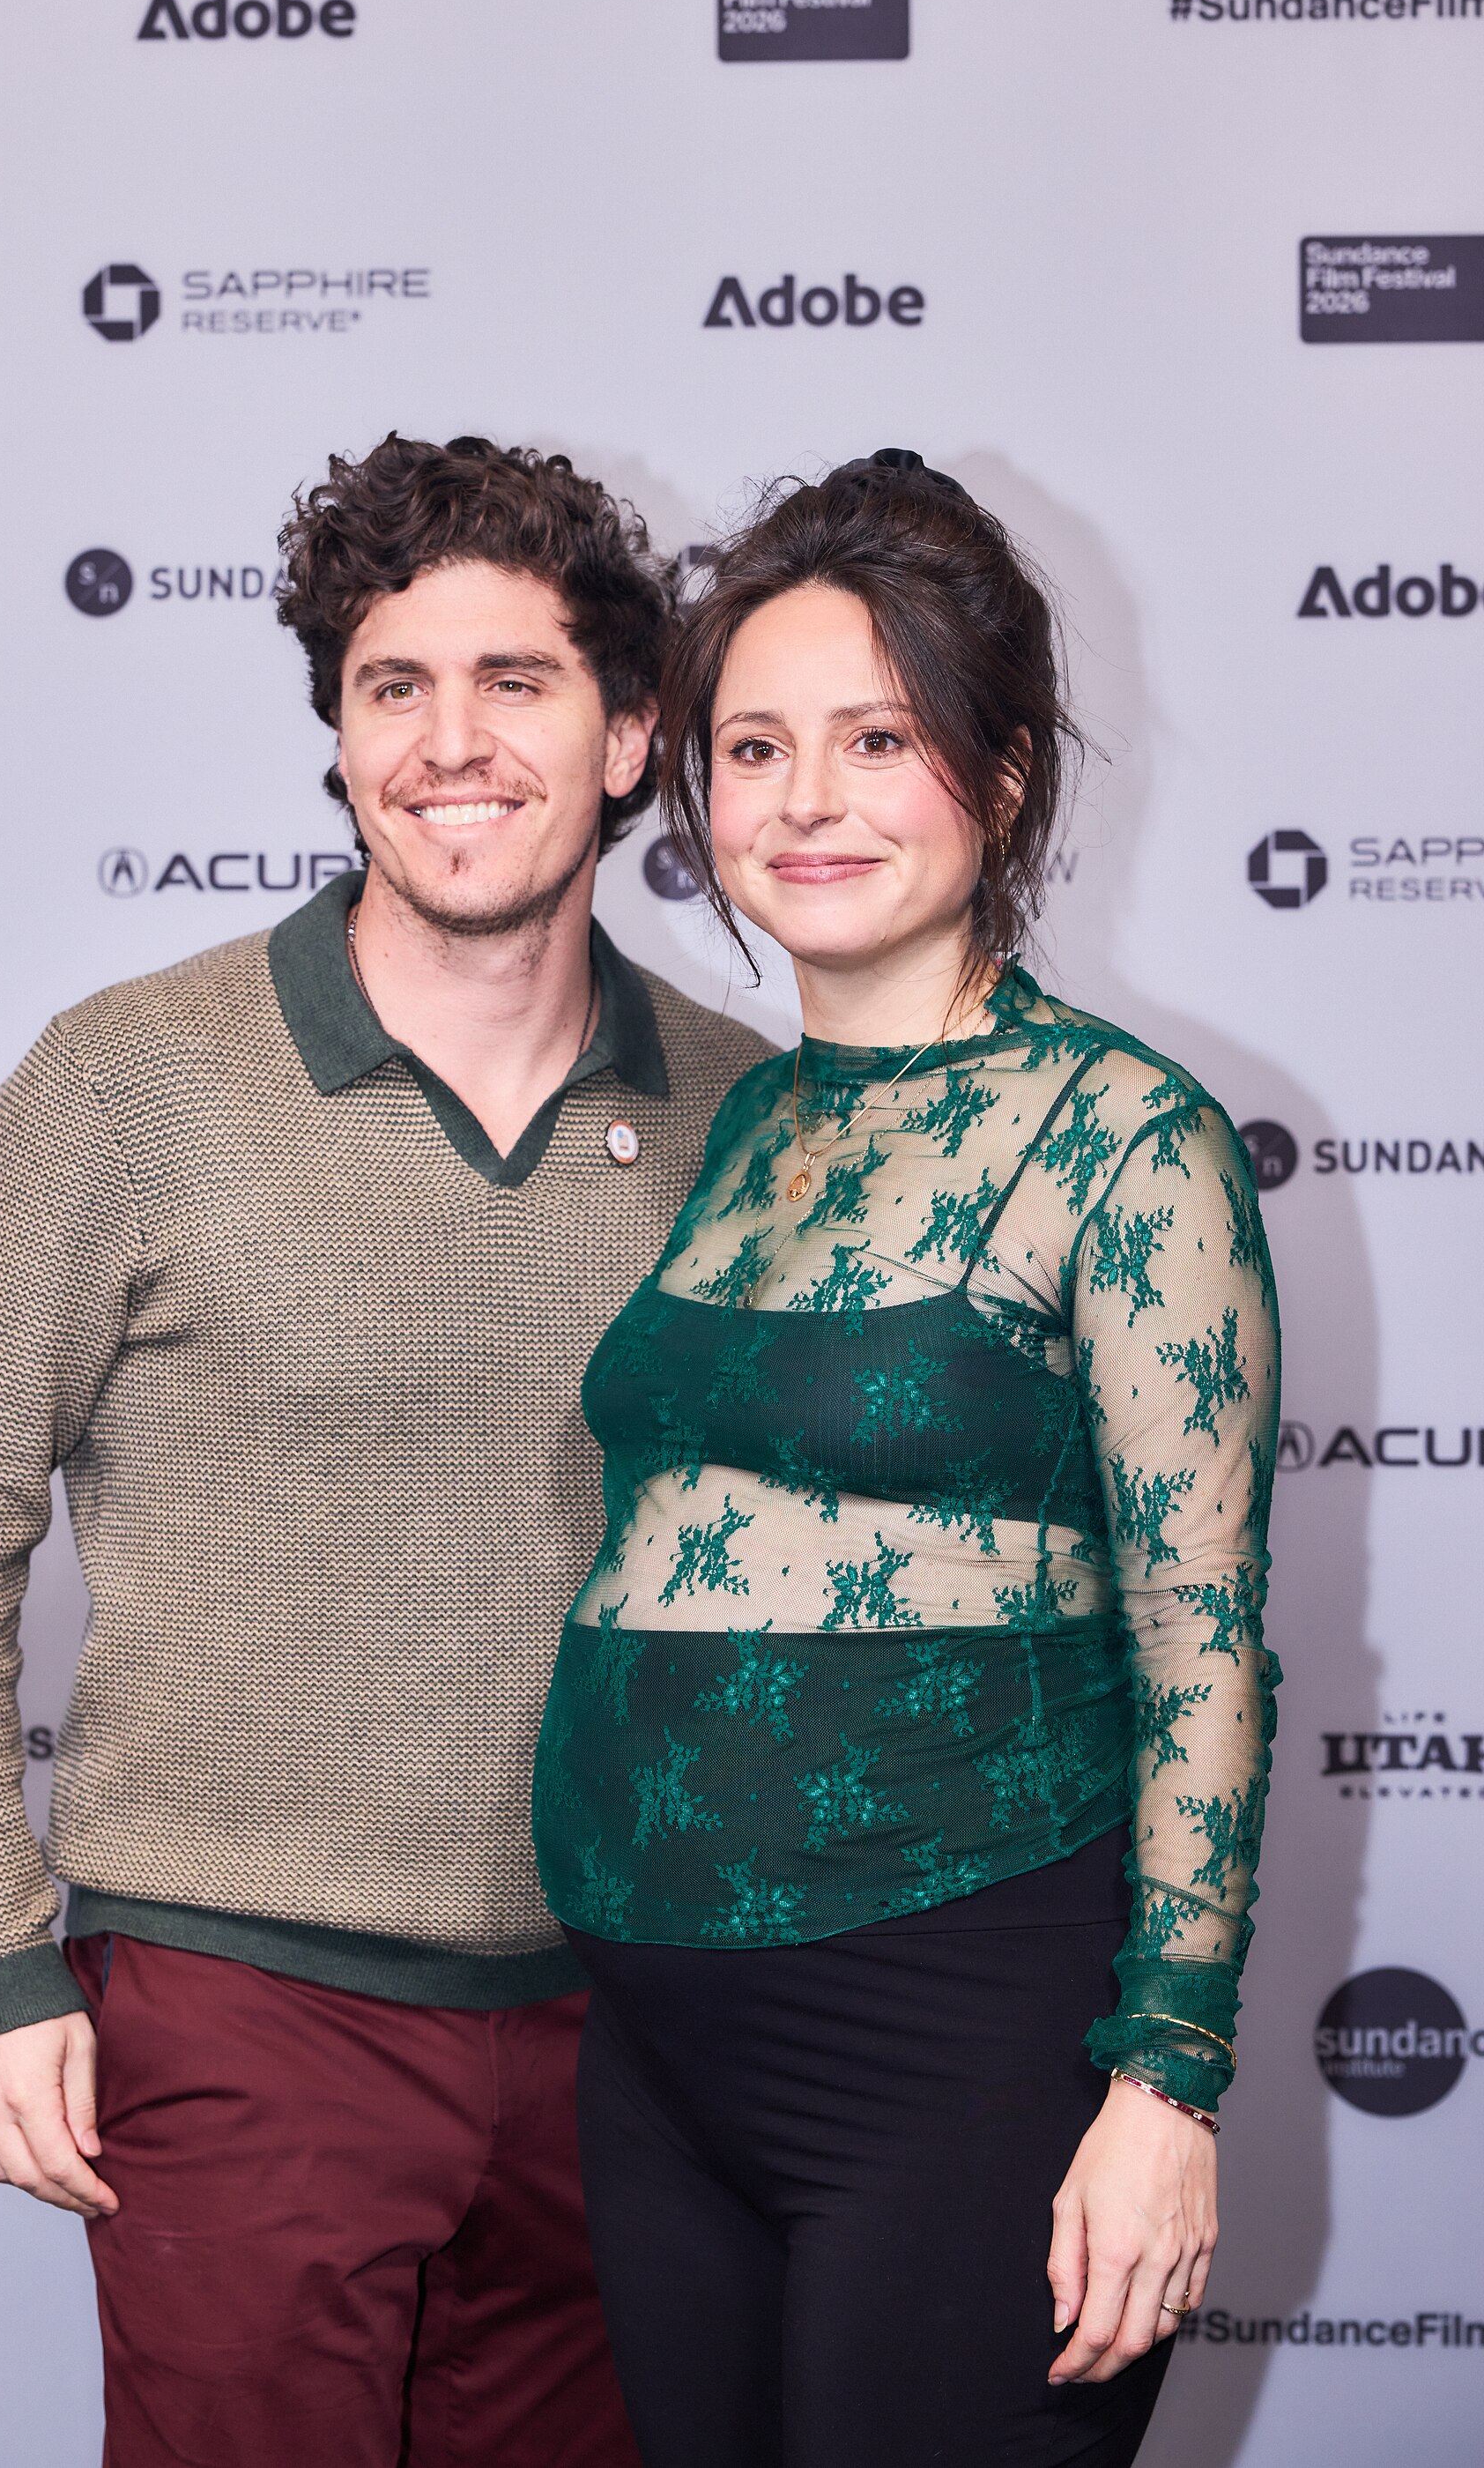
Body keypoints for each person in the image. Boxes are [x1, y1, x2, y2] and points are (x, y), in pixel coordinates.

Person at [0, 434, 768, 2468]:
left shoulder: (747, 1116)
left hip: (635, 2032)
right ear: (341, 738)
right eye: (391, 687)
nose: (450, 743)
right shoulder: (128, 1081)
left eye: (515, 683)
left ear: (628, 739)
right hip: (244, 2011)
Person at [531, 450, 1280, 2468]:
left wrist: (1165, 2087)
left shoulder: (1125, 1141)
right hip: (663, 2058)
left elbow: (1207, 1640)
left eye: (879, 738)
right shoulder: (748, 1123)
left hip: (954, 2039)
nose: (804, 799)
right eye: (754, 745)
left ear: (1005, 772)